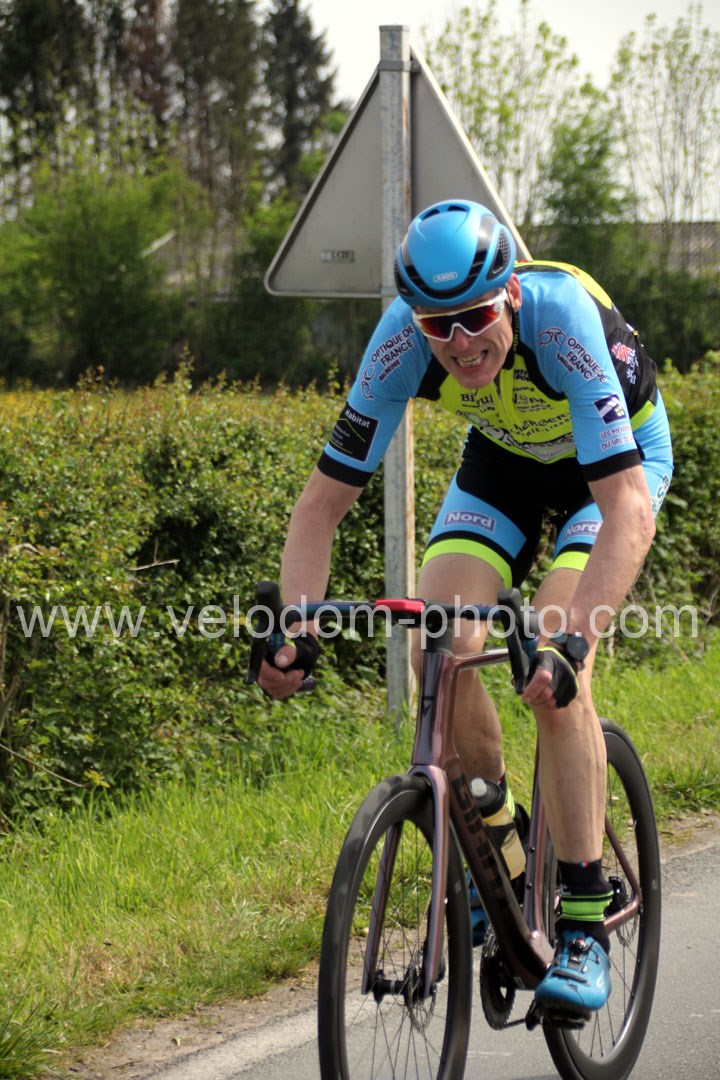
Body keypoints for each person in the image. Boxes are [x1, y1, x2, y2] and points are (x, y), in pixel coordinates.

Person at [258, 198, 673, 1019]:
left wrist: (572, 645)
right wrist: (294, 628)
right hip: (504, 466)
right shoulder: (399, 342)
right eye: (436, 325)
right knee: (437, 646)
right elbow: (319, 508)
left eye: (477, 317)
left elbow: (627, 507)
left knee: (554, 667)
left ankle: (584, 917)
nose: (459, 342)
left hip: (612, 473)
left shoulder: (560, 319)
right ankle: (501, 846)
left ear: (510, 293)